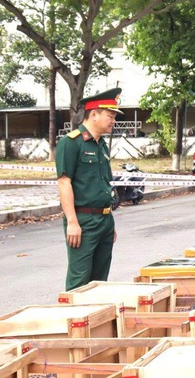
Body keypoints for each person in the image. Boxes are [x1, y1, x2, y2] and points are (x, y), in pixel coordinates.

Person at [56, 88, 123, 291]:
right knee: (79, 281)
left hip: (104, 220)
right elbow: (64, 183)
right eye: (110, 116)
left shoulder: (101, 145)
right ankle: (73, 320)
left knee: (99, 282)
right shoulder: (71, 143)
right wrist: (73, 223)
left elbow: (102, 183)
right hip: (83, 221)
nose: (113, 121)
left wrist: (109, 220)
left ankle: (94, 322)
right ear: (94, 114)